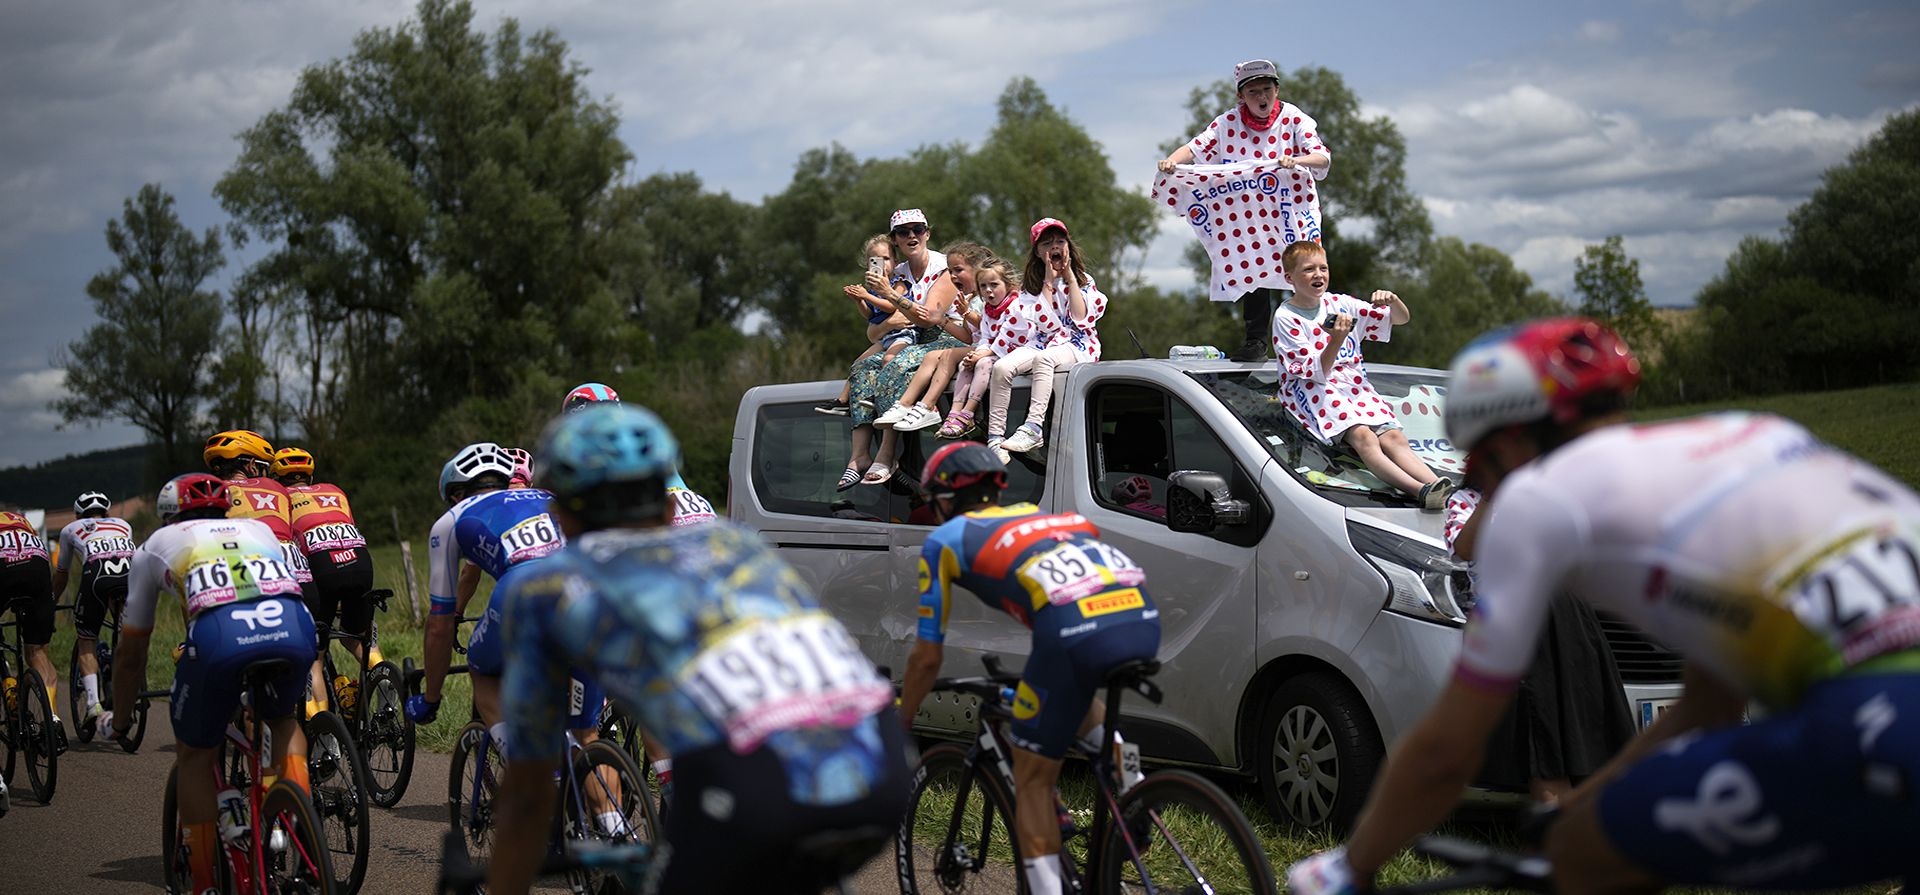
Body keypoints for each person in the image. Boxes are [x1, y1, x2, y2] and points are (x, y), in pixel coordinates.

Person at [1286, 318, 1920, 895]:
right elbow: (1710, 707)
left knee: (1585, 856)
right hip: (1887, 708)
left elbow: (1447, 751)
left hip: (1880, 717)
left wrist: (1352, 865)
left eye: (1485, 464)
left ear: (1509, 443)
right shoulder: (1756, 432)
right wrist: (1582, 803)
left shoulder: (1538, 499)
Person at [488, 403, 907, 894]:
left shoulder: (544, 587)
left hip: (753, 783)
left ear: (558, 518)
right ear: (670, 510)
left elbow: (530, 790)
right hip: (884, 763)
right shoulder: (735, 543)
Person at [898, 442, 1160, 895]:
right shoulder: (1054, 518)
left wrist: (902, 720)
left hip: (1073, 634)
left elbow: (926, 657)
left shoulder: (945, 540)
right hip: (1142, 618)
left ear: (946, 498)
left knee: (1033, 780)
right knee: (1071, 695)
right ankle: (1134, 780)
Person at [109, 473, 317, 895]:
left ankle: (204, 881)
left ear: (169, 515)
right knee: (282, 721)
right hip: (295, 625)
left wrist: (121, 719)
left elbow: (131, 655)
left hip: (222, 636)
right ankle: (298, 826)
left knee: (195, 754)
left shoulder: (153, 546)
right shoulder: (257, 529)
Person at [1443, 486, 1635, 804]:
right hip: (1519, 619)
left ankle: (1587, 826)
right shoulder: (1466, 501)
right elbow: (1466, 549)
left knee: (1584, 739)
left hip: (1567, 615)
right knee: (1546, 747)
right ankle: (1563, 828)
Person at [1158, 58, 1331, 362]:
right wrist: (1171, 161)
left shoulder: (1293, 118)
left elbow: (1322, 157)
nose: (1262, 98)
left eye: (1267, 90)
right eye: (1253, 92)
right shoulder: (1227, 123)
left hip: (1289, 209)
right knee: (1252, 267)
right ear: (1241, 96)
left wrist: (1296, 161)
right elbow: (1196, 147)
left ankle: (1317, 337)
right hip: (1250, 213)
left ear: (1277, 90)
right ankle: (1256, 341)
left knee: (1307, 268)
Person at [1272, 241, 1453, 508]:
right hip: (1314, 388)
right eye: (1309, 269)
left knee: (1394, 437)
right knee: (1364, 437)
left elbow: (1399, 319)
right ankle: (1419, 491)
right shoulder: (1286, 318)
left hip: (1354, 385)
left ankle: (1441, 489)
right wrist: (1336, 340)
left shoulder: (1340, 303)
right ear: (1290, 278)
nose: (1318, 274)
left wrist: (1393, 301)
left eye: (1323, 268)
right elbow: (1315, 372)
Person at [843, 209, 966, 487]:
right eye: (903, 231)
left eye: (918, 229)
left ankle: (887, 455)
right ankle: (859, 456)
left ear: (927, 234)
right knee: (863, 368)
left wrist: (889, 297)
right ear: (895, 240)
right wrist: (876, 307)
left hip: (950, 334)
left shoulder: (943, 267)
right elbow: (874, 330)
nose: (912, 235)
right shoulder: (896, 272)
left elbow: (930, 317)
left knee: (898, 361)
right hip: (913, 337)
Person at [273, 446, 380, 715]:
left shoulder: (280, 500)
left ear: (277, 478)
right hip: (360, 562)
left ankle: (322, 724)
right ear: (310, 476)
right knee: (357, 638)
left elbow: (289, 547)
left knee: (314, 658)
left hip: (322, 568)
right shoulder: (334, 491)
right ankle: (387, 683)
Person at [991, 219, 1107, 459]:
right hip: (1044, 340)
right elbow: (1045, 324)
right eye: (1047, 243)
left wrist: (1070, 277)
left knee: (1044, 360)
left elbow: (1080, 317)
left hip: (1077, 342)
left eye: (1060, 241)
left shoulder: (1084, 280)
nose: (1055, 246)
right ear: (1037, 251)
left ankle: (1033, 427)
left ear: (1068, 246)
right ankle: (995, 438)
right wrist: (1048, 282)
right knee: (1001, 367)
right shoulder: (1031, 287)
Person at [203, 430, 318, 666]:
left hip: (241, 584)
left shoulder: (210, 497)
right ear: (252, 465)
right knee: (310, 657)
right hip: (298, 580)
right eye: (265, 467)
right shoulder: (275, 488)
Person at [872, 241, 994, 435]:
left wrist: (967, 314)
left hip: (992, 348)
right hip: (976, 346)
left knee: (944, 356)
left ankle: (928, 406)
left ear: (978, 271)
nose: (952, 276)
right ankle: (905, 404)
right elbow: (967, 336)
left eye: (958, 270)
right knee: (931, 356)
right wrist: (942, 321)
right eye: (950, 271)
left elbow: (991, 328)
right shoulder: (968, 300)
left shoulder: (987, 298)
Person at [51, 490, 137, 736]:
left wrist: (51, 601)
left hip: (96, 577)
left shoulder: (70, 529)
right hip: (131, 577)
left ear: (78, 514)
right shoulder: (123, 524)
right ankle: (127, 683)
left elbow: (62, 574)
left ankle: (92, 704)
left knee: (87, 639)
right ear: (107, 512)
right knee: (127, 632)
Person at [817, 235, 916, 416]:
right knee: (859, 362)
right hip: (886, 336)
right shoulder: (873, 288)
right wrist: (859, 300)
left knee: (889, 359)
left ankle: (882, 395)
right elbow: (870, 315)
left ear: (896, 262)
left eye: (886, 259)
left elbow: (891, 306)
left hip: (903, 333)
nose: (882, 264)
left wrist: (867, 296)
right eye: (875, 260)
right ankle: (843, 400)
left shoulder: (898, 283)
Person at [939, 258, 1024, 438]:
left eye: (994, 285)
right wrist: (977, 353)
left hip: (1012, 351)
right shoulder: (988, 309)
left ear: (1009, 285)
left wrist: (984, 354)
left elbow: (1008, 338)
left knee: (983, 364)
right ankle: (954, 412)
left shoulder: (1016, 306)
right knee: (965, 364)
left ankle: (968, 412)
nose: (988, 290)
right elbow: (985, 336)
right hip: (993, 350)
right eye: (983, 286)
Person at [1, 507, 62, 746]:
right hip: (36, 564)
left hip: (3, 567)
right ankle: (52, 719)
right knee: (37, 651)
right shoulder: (23, 522)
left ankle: (8, 684)